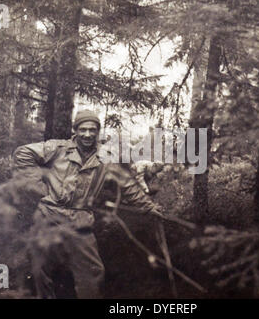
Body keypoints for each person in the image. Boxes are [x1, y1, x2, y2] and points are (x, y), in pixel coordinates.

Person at [12, 110, 164, 298]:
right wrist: (37, 186)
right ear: (75, 130)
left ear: (97, 132)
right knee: (40, 266)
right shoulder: (58, 149)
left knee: (92, 272)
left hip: (80, 220)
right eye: (83, 129)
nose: (87, 134)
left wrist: (148, 207)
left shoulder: (106, 157)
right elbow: (22, 153)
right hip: (48, 214)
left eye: (92, 130)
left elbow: (128, 186)